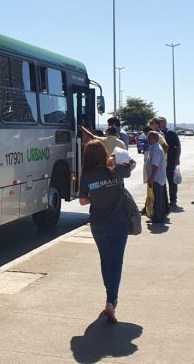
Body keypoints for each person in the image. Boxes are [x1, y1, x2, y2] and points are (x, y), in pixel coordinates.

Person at [78, 139, 130, 324]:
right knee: (116, 262)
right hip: (118, 223)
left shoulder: (86, 176)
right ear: (103, 154)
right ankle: (111, 301)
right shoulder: (115, 170)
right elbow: (130, 166)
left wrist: (96, 195)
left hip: (98, 224)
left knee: (105, 260)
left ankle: (109, 296)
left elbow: (82, 202)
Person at [145, 131, 168, 223]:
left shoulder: (156, 149)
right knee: (158, 199)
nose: (148, 140)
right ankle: (157, 216)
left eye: (150, 138)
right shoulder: (154, 148)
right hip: (158, 178)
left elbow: (155, 165)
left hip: (157, 178)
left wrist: (152, 177)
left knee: (157, 200)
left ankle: (158, 218)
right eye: (148, 138)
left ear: (155, 139)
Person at [158, 117, 181, 208]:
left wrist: (177, 159)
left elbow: (178, 147)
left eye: (161, 122)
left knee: (172, 182)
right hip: (160, 162)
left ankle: (173, 200)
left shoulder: (171, 133)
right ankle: (164, 201)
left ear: (165, 123)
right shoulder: (157, 134)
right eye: (159, 122)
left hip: (171, 161)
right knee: (161, 182)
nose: (160, 124)